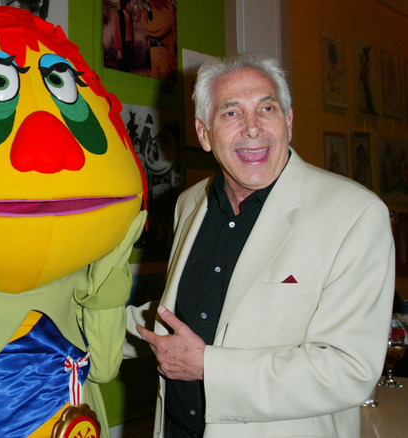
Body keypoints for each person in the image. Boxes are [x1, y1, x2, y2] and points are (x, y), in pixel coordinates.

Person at [126, 53, 395, 437]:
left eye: (266, 108)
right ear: (204, 133)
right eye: (231, 113)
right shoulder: (189, 204)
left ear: (288, 121)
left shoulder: (356, 214)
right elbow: (186, 317)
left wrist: (208, 367)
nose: (253, 129)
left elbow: (348, 369)